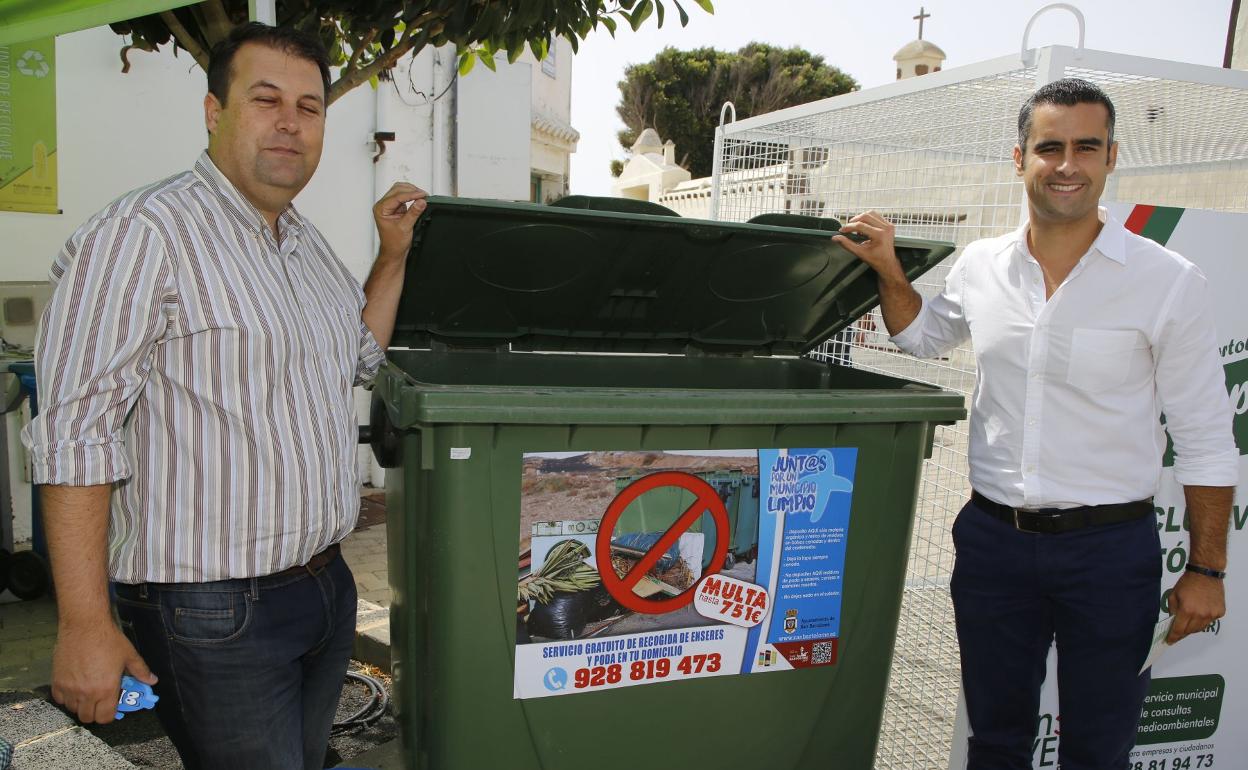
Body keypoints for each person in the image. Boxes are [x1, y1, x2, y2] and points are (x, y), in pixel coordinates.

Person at [21, 22, 426, 769]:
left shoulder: (302, 243)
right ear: (215, 112)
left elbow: (359, 355)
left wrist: (392, 256)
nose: (290, 123)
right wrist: (82, 624)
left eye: (309, 107)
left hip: (323, 586)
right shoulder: (142, 234)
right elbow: (77, 431)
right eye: (266, 99)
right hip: (211, 609)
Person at [833, 78, 1237, 770]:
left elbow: (1205, 437)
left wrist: (1206, 568)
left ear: (1112, 157)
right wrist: (890, 270)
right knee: (995, 738)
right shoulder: (983, 266)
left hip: (1110, 555)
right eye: (1049, 147)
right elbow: (923, 337)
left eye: (1086, 146)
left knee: (1098, 747)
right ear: (1019, 158)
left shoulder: (1168, 281)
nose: (1067, 164)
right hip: (994, 547)